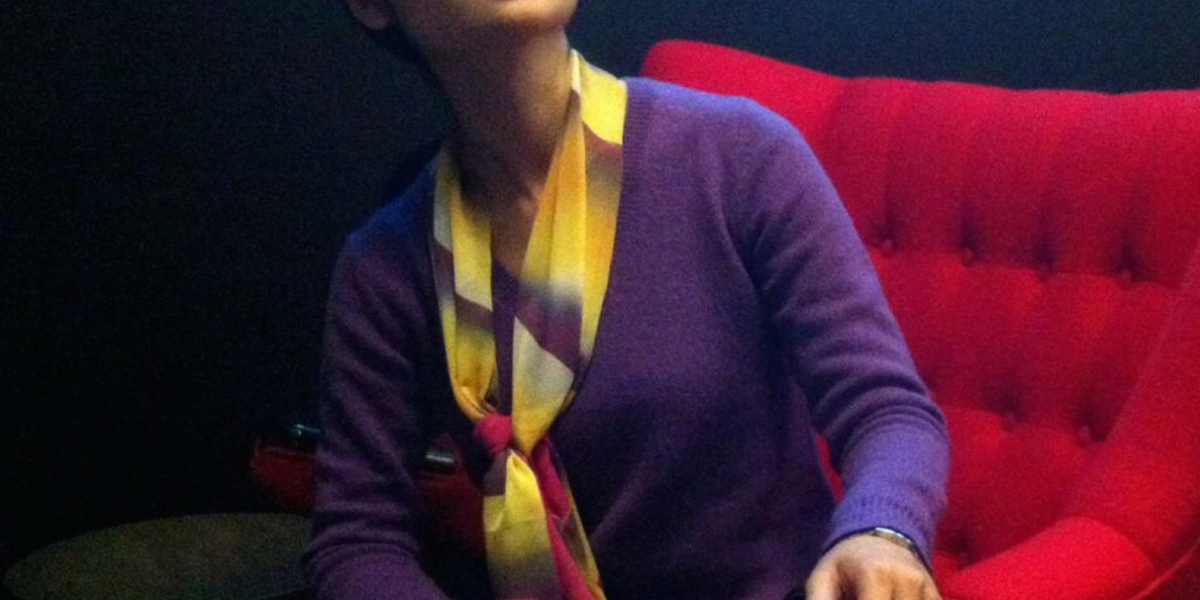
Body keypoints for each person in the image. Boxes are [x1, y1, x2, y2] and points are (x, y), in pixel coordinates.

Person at [304, 0, 951, 599]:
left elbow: (885, 409)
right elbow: (359, 538)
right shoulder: (386, 267)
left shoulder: (738, 155)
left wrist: (882, 532)